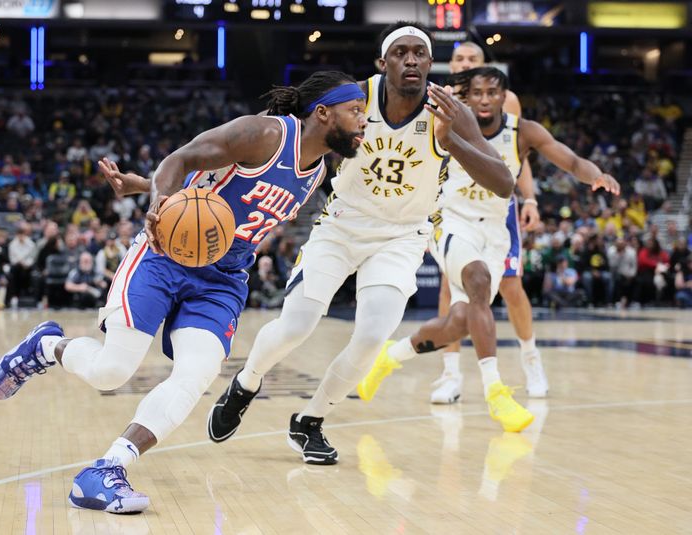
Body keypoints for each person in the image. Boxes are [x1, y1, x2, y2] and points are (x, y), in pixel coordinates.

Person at [0, 70, 368, 513]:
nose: (364, 121)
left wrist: (138, 182)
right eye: (355, 111)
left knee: (198, 373)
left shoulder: (317, 172)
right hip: (165, 255)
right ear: (322, 113)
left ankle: (108, 468)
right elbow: (180, 161)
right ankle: (46, 346)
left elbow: (212, 202)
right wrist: (154, 202)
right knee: (112, 371)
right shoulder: (264, 134)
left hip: (224, 277)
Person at [207, 22, 515, 465]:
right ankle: (247, 382)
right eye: (401, 52)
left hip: (402, 237)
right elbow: (299, 135)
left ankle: (309, 421)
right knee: (296, 325)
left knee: (372, 337)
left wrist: (454, 143)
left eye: (420, 54)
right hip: (342, 226)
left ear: (431, 63)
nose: (411, 60)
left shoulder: (449, 111)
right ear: (383, 62)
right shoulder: (354, 98)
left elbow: (503, 183)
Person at [358, 67, 619, 431]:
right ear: (468, 96)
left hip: (494, 233)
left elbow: (571, 160)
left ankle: (392, 355)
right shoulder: (450, 119)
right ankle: (496, 392)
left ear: (503, 96)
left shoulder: (522, 132)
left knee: (461, 323)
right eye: (476, 92)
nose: (483, 99)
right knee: (478, 281)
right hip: (449, 221)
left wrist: (597, 176)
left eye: (491, 92)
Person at [426, 41, 550, 403]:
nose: (466, 64)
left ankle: (531, 361)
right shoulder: (441, 99)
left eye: (473, 59)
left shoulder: (505, 101)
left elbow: (518, 154)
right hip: (454, 206)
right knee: (451, 288)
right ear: (450, 65)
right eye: (460, 59)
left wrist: (529, 199)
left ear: (486, 65)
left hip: (497, 206)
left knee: (511, 286)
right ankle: (451, 376)